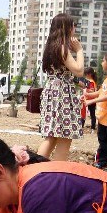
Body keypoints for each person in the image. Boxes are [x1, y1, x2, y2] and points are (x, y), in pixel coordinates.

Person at [38, 14, 84, 160]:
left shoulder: (51, 46)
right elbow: (79, 70)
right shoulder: (62, 48)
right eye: (72, 25)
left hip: (52, 92)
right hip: (62, 95)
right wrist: (79, 50)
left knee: (51, 137)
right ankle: (57, 173)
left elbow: (61, 72)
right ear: (66, 27)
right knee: (65, 136)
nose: (74, 28)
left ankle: (34, 170)